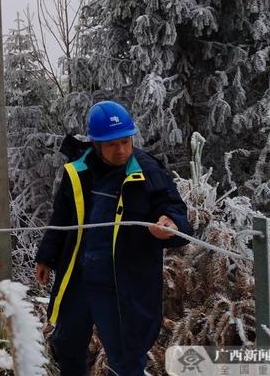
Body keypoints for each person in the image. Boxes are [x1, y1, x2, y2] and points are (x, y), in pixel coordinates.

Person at [34, 100, 193, 376]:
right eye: (112, 144)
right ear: (95, 144)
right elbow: (61, 219)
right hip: (80, 279)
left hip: (122, 283)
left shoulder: (147, 171)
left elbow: (175, 211)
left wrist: (169, 224)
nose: (121, 150)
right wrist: (46, 257)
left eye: (125, 141)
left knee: (127, 356)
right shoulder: (78, 172)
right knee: (67, 344)